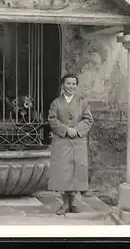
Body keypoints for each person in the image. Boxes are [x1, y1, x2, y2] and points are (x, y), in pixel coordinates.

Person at [48, 73, 94, 216]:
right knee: (63, 172)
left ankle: (73, 202)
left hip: (78, 141)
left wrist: (77, 130)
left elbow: (88, 119)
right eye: (68, 83)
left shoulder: (82, 102)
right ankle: (64, 203)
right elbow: (52, 120)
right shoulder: (56, 103)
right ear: (63, 85)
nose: (71, 86)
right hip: (62, 141)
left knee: (76, 171)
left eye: (74, 84)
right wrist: (66, 129)